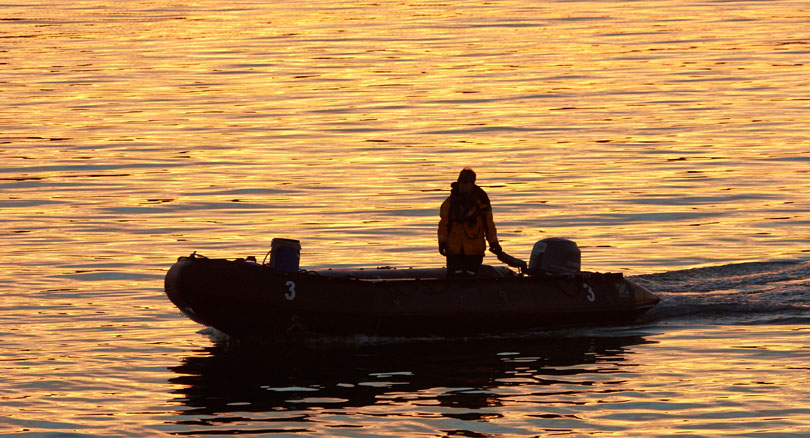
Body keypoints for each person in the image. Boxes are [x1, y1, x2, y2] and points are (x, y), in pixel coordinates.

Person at [438, 168, 502, 277]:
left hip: (474, 249)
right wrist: (442, 242)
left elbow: (489, 225)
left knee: (472, 276)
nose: (462, 185)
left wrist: (494, 243)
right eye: (461, 182)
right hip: (454, 249)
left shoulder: (482, 202)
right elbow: (443, 225)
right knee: (454, 276)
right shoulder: (449, 203)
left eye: (466, 182)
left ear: (472, 184)